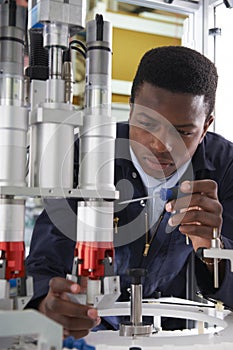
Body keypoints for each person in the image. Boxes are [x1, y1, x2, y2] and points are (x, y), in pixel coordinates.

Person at [26, 45, 233, 339]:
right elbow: (44, 262)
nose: (161, 146)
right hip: (90, 329)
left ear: (206, 126)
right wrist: (44, 304)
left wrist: (214, 249)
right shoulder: (86, 154)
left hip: (171, 336)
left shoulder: (225, 167)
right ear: (131, 107)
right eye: (147, 124)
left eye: (184, 132)